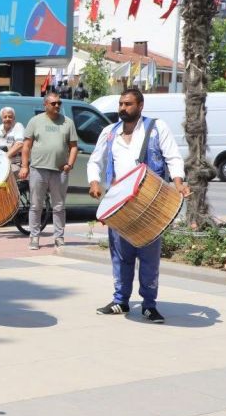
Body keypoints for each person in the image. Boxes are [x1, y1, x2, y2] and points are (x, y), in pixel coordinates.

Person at [88, 88, 189, 324]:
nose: (123, 108)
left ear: (140, 106)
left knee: (149, 257)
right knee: (120, 255)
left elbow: (173, 157)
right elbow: (95, 160)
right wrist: (94, 181)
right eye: (121, 104)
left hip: (149, 202)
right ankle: (121, 300)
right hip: (120, 206)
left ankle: (149, 305)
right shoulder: (109, 132)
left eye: (128, 104)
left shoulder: (156, 128)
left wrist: (178, 183)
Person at [19, 93, 78, 250]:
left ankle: (58, 237)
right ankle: (34, 237)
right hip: (38, 169)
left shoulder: (68, 122)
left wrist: (70, 165)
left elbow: (73, 146)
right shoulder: (35, 121)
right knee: (36, 205)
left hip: (60, 171)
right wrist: (24, 166)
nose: (57, 106)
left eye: (59, 103)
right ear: (45, 105)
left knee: (59, 206)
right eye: (53, 103)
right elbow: (26, 146)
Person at [0, 106, 25, 172]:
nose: (7, 119)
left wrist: (4, 157)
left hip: (13, 163)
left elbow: (19, 144)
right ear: (1, 118)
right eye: (5, 117)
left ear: (14, 118)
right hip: (0, 162)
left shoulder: (18, 126)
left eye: (10, 117)